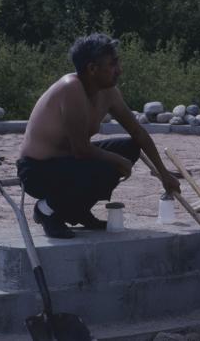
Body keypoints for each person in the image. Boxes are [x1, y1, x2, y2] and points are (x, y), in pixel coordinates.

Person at [17, 33, 180, 239]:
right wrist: (118, 161)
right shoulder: (71, 88)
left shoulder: (108, 92)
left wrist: (163, 174)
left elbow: (137, 132)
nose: (118, 71)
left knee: (130, 147)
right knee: (107, 167)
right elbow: (81, 149)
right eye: (112, 65)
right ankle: (47, 210)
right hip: (37, 170)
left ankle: (77, 211)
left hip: (69, 162)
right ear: (92, 69)